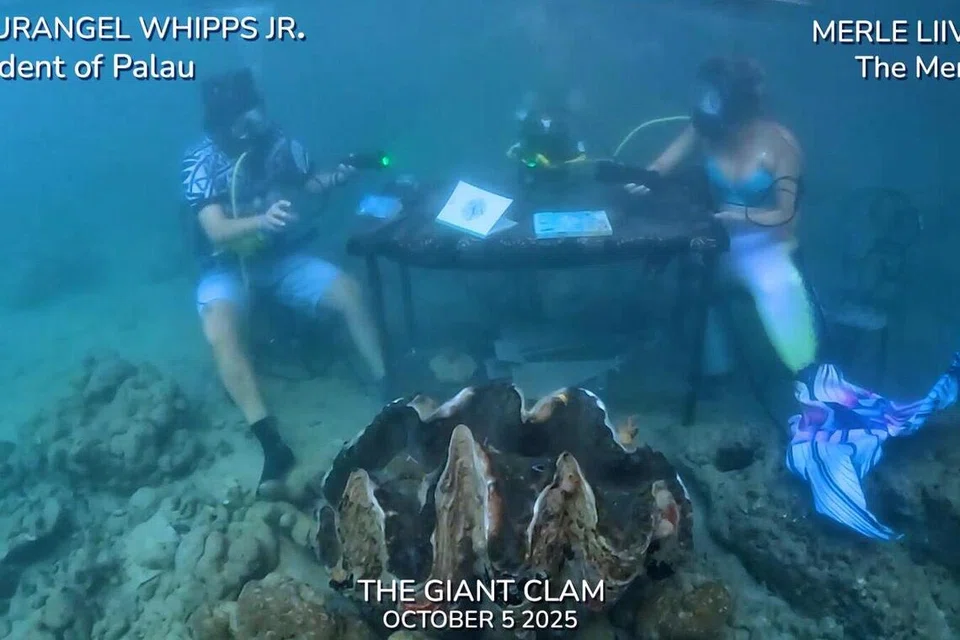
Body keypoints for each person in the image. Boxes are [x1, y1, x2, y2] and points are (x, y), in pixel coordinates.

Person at [180, 68, 386, 491]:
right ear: (221, 122)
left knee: (349, 293)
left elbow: (311, 183)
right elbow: (215, 229)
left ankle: (389, 387)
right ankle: (270, 442)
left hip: (280, 258)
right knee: (220, 330)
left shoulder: (280, 144)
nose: (251, 124)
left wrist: (341, 173)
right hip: (224, 267)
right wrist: (262, 220)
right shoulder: (200, 161)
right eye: (240, 117)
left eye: (253, 111)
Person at [627, 55, 817, 376]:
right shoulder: (703, 130)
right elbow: (662, 165)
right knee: (689, 276)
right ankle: (716, 368)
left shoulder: (780, 145)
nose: (704, 104)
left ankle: (807, 371)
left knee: (776, 284)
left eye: (713, 97)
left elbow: (787, 214)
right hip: (721, 239)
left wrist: (741, 216)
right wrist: (646, 180)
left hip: (768, 244)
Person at [506, 94, 587, 191]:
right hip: (535, 177)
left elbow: (576, 151)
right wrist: (533, 158)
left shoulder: (564, 125)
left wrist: (561, 164)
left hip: (560, 177)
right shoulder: (529, 123)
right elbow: (523, 146)